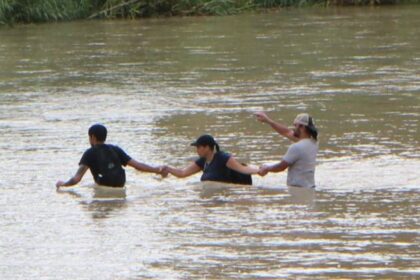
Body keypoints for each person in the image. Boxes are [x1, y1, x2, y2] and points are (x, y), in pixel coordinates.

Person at [56, 124, 166, 189]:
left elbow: (77, 178)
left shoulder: (89, 153)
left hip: (104, 184)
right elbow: (138, 165)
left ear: (93, 137)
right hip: (120, 183)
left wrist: (63, 184)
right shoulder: (115, 149)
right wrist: (157, 170)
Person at [255, 112, 318, 189]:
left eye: (295, 125)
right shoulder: (314, 143)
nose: (293, 128)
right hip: (310, 188)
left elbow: (281, 167)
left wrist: (267, 168)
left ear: (302, 127)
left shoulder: (296, 147)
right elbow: (287, 132)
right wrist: (268, 121)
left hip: (297, 190)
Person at [163, 135, 259, 185]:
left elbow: (243, 169)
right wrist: (168, 169)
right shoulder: (202, 161)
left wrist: (260, 170)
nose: (197, 150)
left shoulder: (223, 158)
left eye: (198, 147)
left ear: (207, 147)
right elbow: (182, 173)